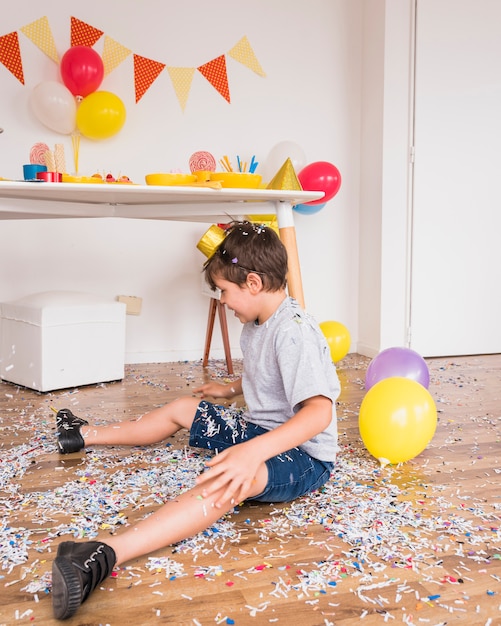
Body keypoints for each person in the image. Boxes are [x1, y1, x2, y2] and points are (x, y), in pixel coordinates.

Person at [51, 220, 341, 620]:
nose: (222, 301)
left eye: (225, 291)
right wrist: (234, 388)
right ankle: (82, 434)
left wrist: (250, 454)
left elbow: (319, 412)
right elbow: (275, 375)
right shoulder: (258, 322)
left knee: (229, 479)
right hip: (265, 433)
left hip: (306, 456)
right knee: (183, 408)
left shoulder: (295, 332)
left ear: (253, 283)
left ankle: (106, 552)